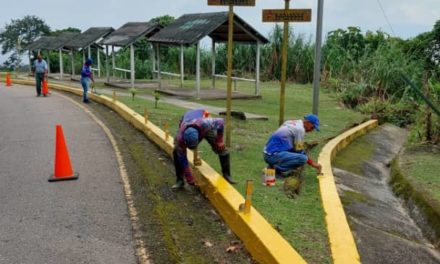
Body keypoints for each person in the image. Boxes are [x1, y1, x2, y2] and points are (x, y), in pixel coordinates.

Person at [172, 109, 237, 189]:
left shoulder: (206, 123)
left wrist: (219, 140)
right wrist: (189, 176)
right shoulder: (180, 138)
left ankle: (227, 176)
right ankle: (180, 180)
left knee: (221, 148)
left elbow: (221, 122)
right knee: (176, 151)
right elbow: (182, 158)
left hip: (203, 122)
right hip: (187, 121)